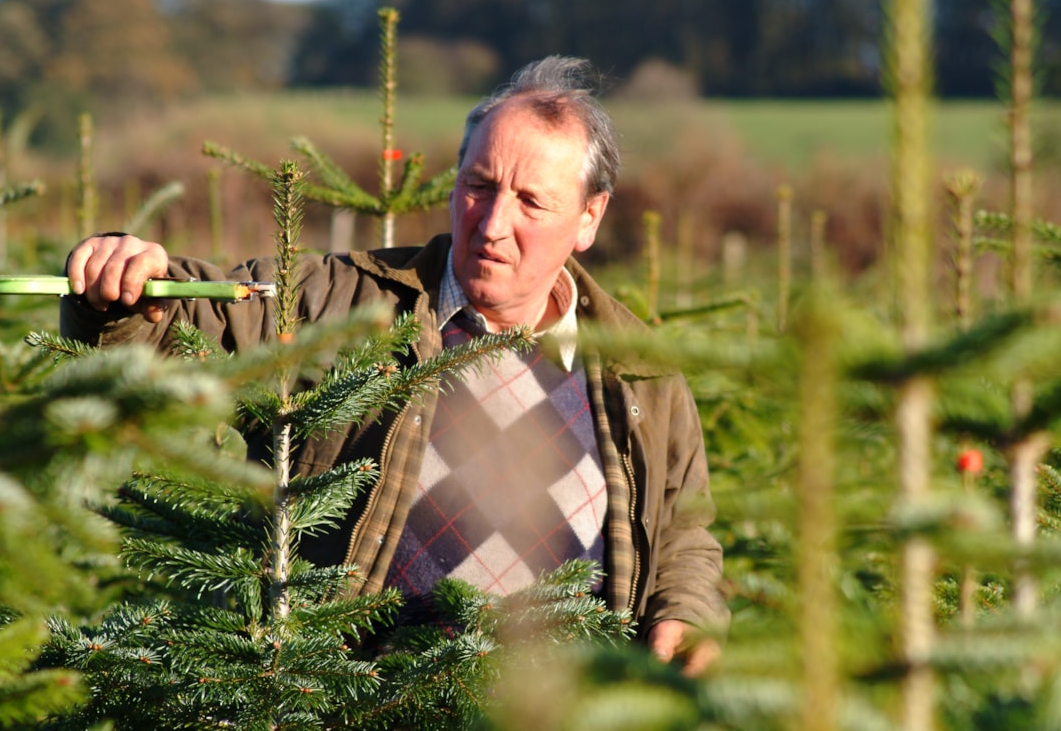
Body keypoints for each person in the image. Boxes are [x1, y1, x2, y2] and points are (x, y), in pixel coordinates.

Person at [61, 56, 729, 674]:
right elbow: (174, 330)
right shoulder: (337, 305)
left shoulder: (640, 370)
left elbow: (684, 532)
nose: (492, 223)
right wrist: (122, 281)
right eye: (479, 186)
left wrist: (687, 613)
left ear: (589, 217)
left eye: (530, 201)